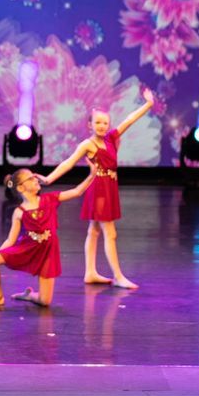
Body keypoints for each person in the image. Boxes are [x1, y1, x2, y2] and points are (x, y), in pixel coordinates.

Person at [42, 87, 157, 288]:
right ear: (90, 125)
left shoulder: (111, 138)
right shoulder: (87, 145)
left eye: (105, 122)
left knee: (94, 230)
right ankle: (118, 276)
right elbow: (68, 163)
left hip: (109, 187)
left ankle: (90, 273)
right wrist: (49, 179)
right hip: (99, 190)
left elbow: (129, 120)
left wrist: (148, 104)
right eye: (97, 123)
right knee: (110, 233)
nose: (102, 126)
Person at [0, 161, 100, 310]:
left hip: (47, 252)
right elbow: (10, 240)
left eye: (35, 177)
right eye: (31, 178)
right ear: (20, 187)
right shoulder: (19, 212)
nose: (36, 180)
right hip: (28, 248)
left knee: (45, 301)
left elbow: (77, 191)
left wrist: (92, 175)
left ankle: (28, 295)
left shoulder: (50, 199)